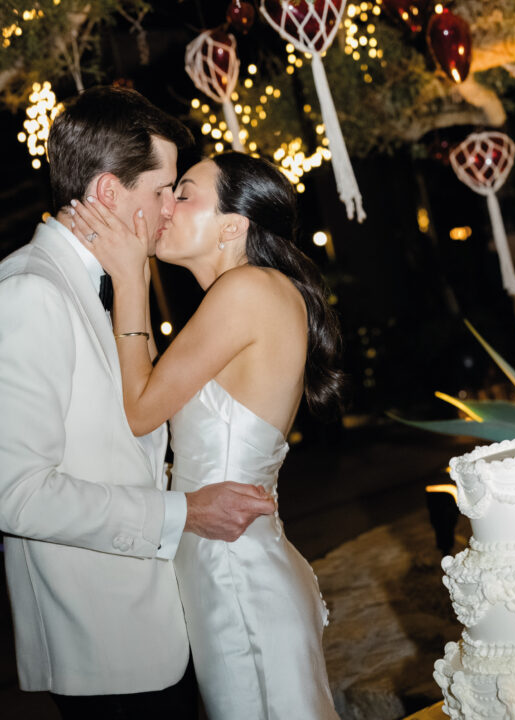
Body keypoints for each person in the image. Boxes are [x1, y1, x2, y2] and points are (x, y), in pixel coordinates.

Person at [0, 88, 274, 720]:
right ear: (107, 192)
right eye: (163, 190)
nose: (170, 208)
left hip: (161, 627)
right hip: (103, 643)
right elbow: (17, 494)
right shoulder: (30, 292)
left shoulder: (111, 281)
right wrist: (185, 512)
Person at [70, 150, 343, 719]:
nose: (166, 206)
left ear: (233, 226)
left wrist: (129, 277)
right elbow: (146, 382)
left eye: (184, 194)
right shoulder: (250, 292)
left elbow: (140, 410)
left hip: (234, 576)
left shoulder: (247, 290)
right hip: (232, 563)